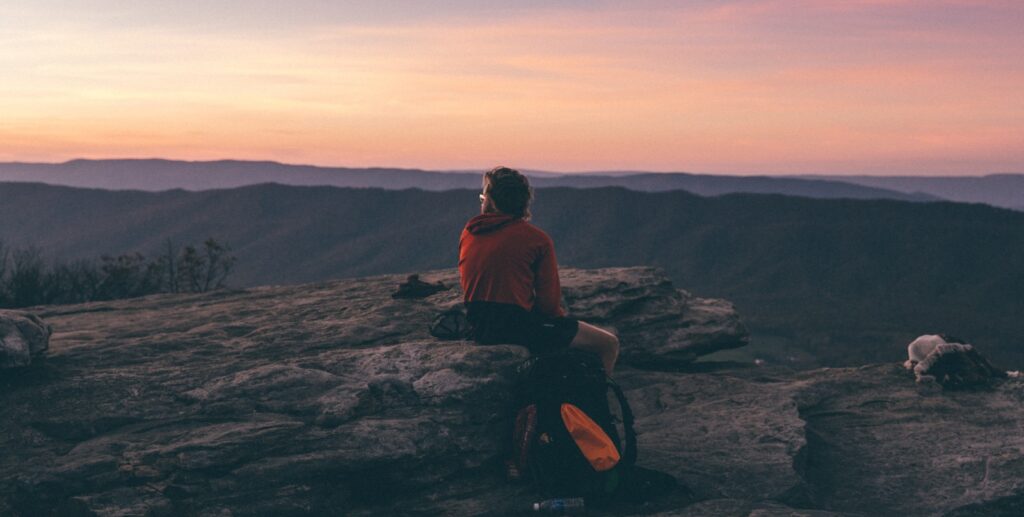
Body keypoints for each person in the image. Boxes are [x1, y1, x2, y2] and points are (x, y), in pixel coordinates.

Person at [458, 166, 620, 374]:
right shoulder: (536, 240)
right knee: (608, 344)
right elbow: (549, 305)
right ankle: (597, 402)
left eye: (483, 197)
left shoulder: (470, 232)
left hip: (478, 325)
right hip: (515, 328)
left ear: (490, 201)